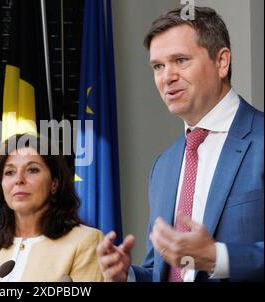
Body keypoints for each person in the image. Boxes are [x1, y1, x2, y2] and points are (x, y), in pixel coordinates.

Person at [97, 6, 263, 282]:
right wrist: (127, 275)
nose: (167, 77)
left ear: (222, 62)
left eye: (180, 60)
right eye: (158, 66)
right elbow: (160, 271)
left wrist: (218, 258)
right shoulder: (164, 165)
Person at [0, 134, 104, 282]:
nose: (19, 179)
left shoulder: (85, 242)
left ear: (54, 183)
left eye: (32, 170)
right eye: (10, 172)